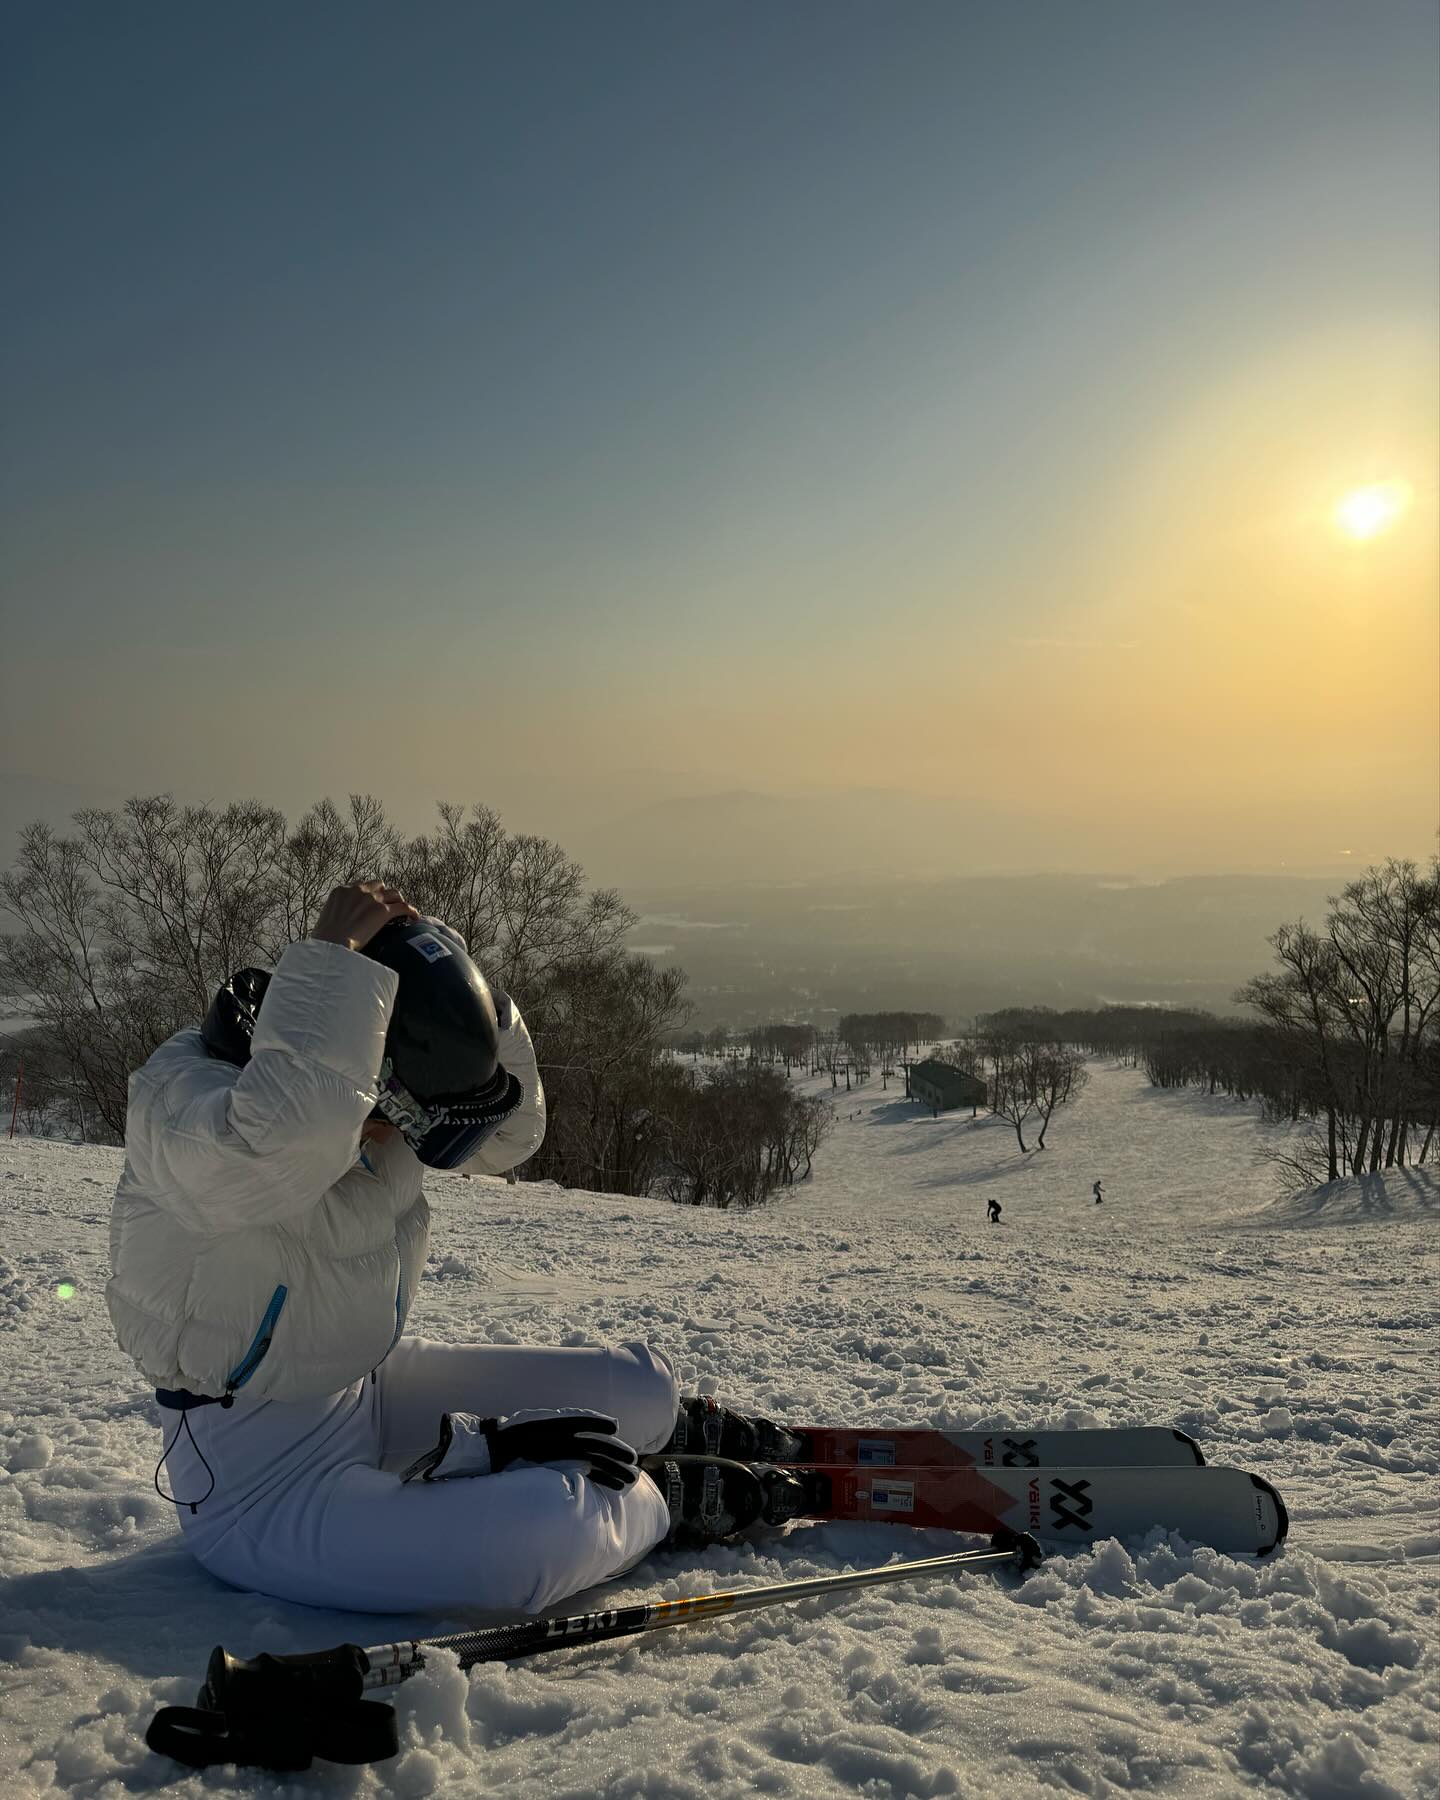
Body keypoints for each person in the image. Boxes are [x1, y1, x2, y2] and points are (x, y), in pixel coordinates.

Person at [107, 881, 789, 1617]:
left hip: (363, 1388)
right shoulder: (185, 1103)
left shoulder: (372, 1095)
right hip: (260, 1488)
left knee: (641, 1387)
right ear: (360, 1077)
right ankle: (655, 1499)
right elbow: (283, 1140)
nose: (394, 1141)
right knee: (540, 1540)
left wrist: (460, 989)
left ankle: (652, 1432)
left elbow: (509, 1137)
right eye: (387, 1119)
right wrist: (334, 961)